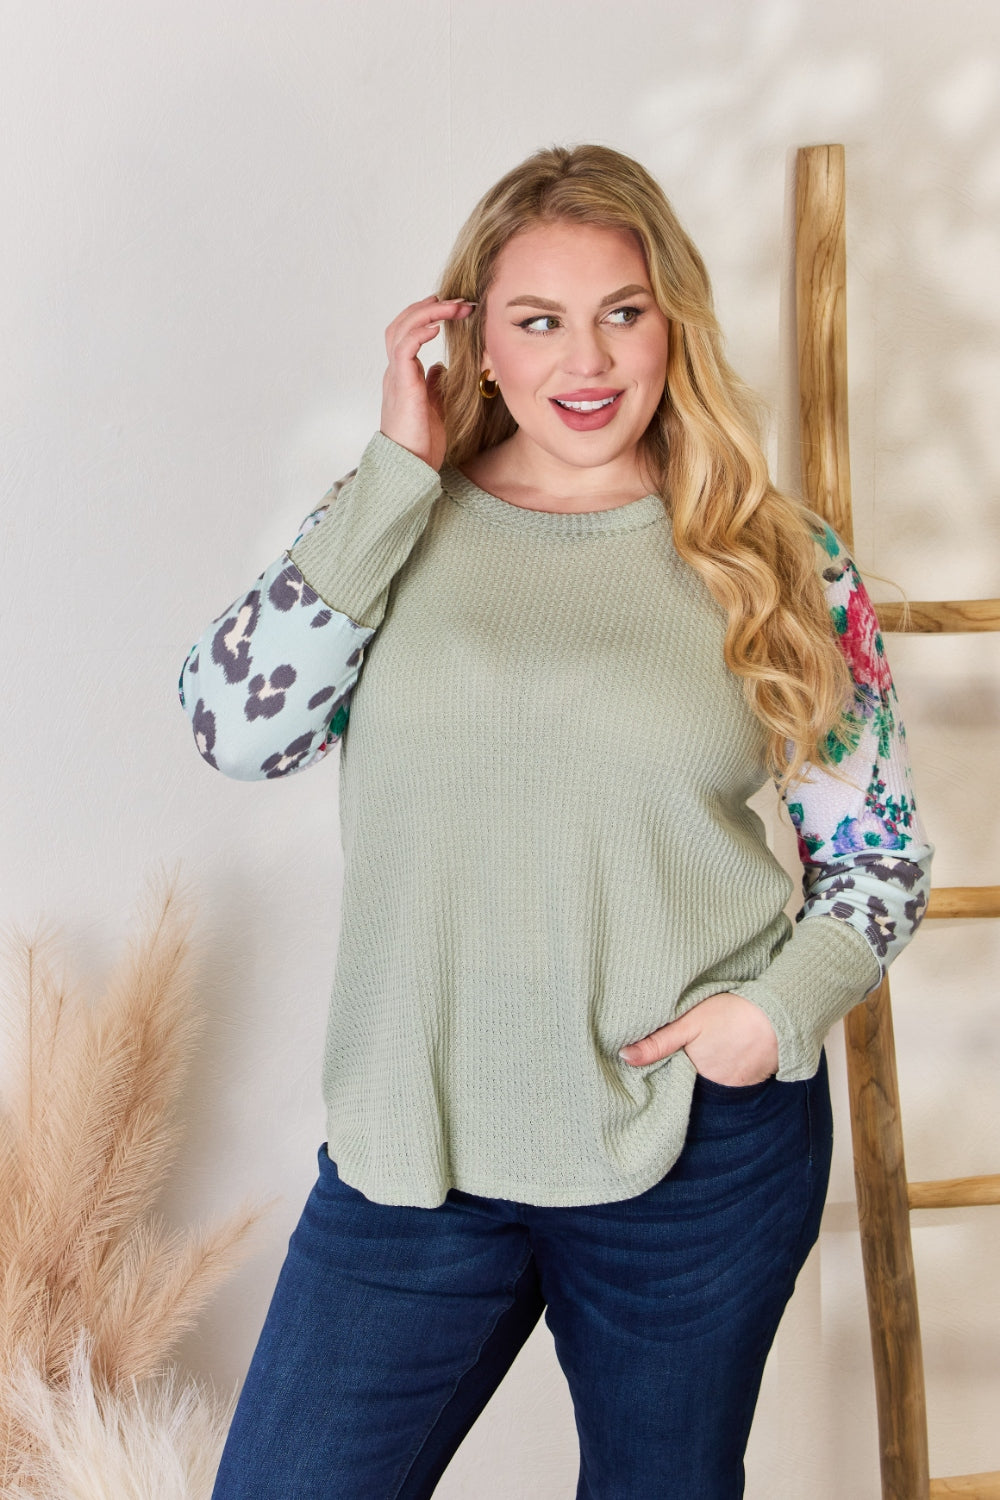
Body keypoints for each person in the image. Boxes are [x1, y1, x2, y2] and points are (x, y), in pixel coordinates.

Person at [179, 143, 933, 1499]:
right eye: (538, 320)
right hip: (417, 1148)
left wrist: (772, 1014)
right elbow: (236, 729)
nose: (586, 360)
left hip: (693, 1151)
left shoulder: (778, 558)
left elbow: (876, 856)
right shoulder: (390, 522)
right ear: (473, 339)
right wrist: (396, 470)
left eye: (622, 313)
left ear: (672, 324)